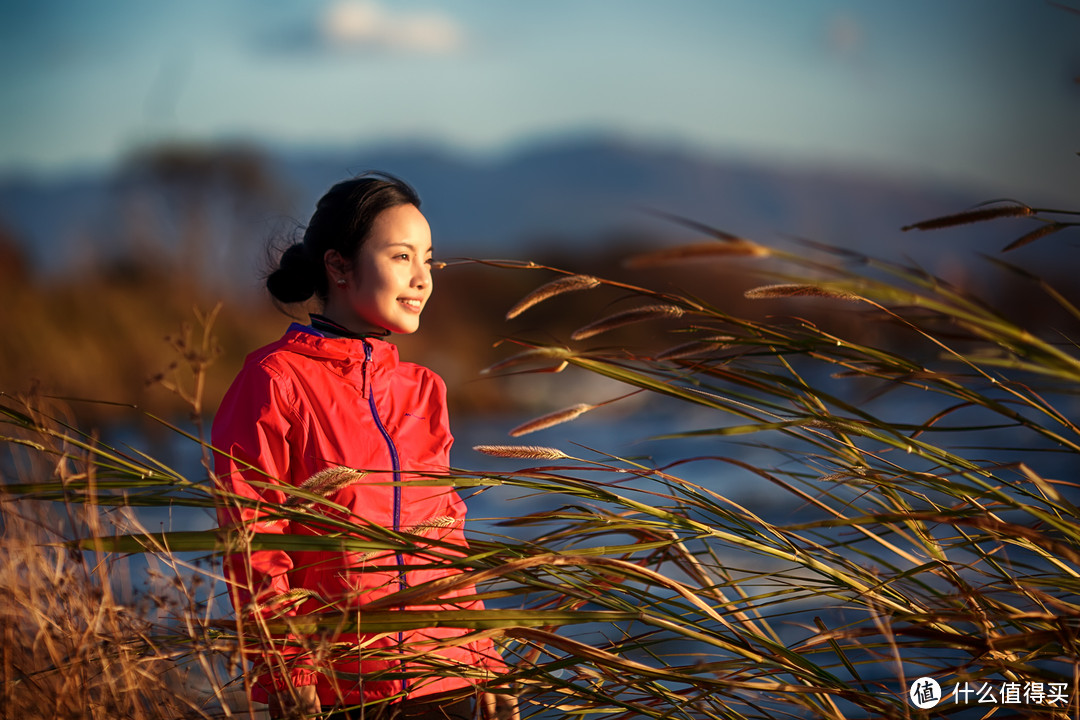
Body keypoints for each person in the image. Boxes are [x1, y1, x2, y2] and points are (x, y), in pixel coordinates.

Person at [212, 173, 516, 719]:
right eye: (402, 257)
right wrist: (286, 661)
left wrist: (482, 658)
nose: (422, 278)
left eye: (429, 259)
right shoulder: (274, 379)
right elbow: (252, 532)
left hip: (443, 681)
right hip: (337, 688)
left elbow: (445, 544)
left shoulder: (425, 389)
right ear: (339, 266)